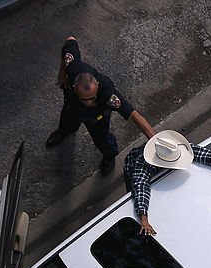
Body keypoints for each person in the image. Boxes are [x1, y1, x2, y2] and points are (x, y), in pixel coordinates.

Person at [46, 36, 155, 174]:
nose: (89, 102)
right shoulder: (73, 68)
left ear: (97, 85)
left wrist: (154, 139)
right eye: (85, 99)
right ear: (74, 87)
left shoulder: (108, 93)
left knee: (102, 139)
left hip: (96, 117)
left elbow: (134, 115)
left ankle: (109, 156)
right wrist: (62, 74)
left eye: (92, 97)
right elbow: (70, 40)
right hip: (72, 107)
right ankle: (64, 132)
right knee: (67, 123)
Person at [123, 130, 211, 235]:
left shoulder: (175, 147)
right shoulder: (142, 163)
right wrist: (143, 218)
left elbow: (205, 155)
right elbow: (140, 186)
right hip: (132, 168)